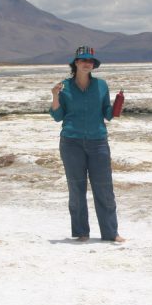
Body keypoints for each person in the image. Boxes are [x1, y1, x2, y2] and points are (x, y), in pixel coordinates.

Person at [49, 46, 125, 243]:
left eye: (90, 61)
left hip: (98, 141)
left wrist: (117, 106)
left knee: (104, 188)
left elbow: (107, 112)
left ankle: (111, 233)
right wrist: (55, 96)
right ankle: (81, 232)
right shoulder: (64, 87)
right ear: (76, 63)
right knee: (76, 188)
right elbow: (57, 116)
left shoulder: (101, 85)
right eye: (83, 60)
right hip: (71, 142)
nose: (87, 63)